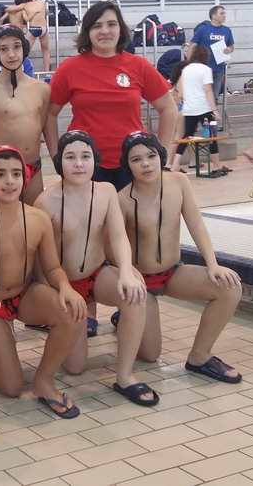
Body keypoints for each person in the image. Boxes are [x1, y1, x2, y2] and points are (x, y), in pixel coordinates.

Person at [34, 133, 156, 406]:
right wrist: (53, 299)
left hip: (97, 274)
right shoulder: (46, 202)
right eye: (71, 157)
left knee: (135, 293)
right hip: (65, 286)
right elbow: (40, 261)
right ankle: (66, 327)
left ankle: (125, 376)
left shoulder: (106, 192)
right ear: (59, 162)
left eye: (85, 156)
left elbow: (118, 237)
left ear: (95, 161)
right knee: (75, 367)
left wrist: (126, 271)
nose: (79, 163)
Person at [0, 146, 84, 417]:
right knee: (12, 387)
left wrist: (65, 287)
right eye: (0, 174)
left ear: (25, 178)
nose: (9, 181)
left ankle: (43, 381)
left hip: (23, 296)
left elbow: (52, 267)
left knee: (72, 313)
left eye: (16, 174)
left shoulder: (38, 219)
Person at [118, 131, 243, 385]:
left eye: (151, 156)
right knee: (150, 355)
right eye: (136, 159)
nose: (145, 164)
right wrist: (129, 276)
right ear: (127, 165)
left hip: (174, 273)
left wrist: (212, 264)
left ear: (161, 156)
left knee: (229, 287)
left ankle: (199, 355)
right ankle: (127, 316)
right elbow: (114, 246)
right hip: (141, 284)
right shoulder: (122, 199)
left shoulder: (178, 182)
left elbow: (196, 224)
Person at [45, 0, 176, 191]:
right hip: (86, 165)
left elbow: (168, 108)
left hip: (132, 163)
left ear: (120, 29)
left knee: (133, 212)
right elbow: (49, 113)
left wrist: (161, 154)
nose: (105, 31)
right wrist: (57, 157)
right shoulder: (70, 68)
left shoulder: (138, 65)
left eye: (111, 24)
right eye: (97, 26)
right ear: (87, 32)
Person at [0, 25, 50, 204]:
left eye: (16, 46)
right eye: (4, 49)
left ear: (24, 48)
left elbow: (43, 128)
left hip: (33, 167)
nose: (11, 54)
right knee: (4, 220)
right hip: (1, 171)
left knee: (33, 217)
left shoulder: (42, 90)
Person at [168, 45, 228, 176]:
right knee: (212, 137)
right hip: (203, 107)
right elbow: (208, 90)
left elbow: (182, 91)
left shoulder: (186, 69)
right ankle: (216, 165)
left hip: (189, 108)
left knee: (186, 137)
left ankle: (175, 165)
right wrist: (214, 109)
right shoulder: (205, 69)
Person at [189, 5, 235, 101]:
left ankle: (212, 109)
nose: (224, 15)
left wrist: (229, 49)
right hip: (202, 67)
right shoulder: (203, 29)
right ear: (213, 16)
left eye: (224, 13)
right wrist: (189, 62)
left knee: (214, 97)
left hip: (218, 68)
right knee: (201, 96)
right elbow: (192, 45)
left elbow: (231, 46)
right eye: (221, 13)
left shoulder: (227, 30)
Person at [6, 0, 51, 72]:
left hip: (34, 28)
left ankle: (20, 70)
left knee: (24, 50)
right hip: (44, 28)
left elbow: (9, 9)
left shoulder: (25, 5)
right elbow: (47, 12)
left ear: (24, 0)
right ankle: (47, 72)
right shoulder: (41, 3)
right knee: (45, 50)